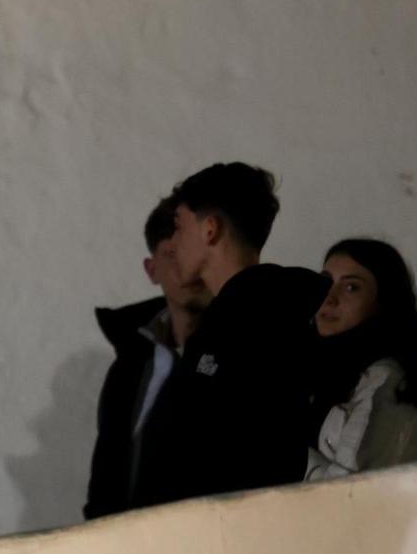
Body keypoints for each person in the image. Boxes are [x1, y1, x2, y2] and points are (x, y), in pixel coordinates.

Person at [131, 163, 329, 507]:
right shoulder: (227, 321)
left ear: (210, 230)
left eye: (179, 228)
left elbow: (248, 454)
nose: (173, 245)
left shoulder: (261, 321)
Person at [83, 195, 210, 520]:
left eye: (196, 253)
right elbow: (107, 478)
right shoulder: (130, 366)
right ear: (151, 269)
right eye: (171, 254)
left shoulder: (252, 348)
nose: (187, 268)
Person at [303, 238, 417, 480]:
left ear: (382, 303)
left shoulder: (388, 382)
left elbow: (349, 494)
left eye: (351, 287)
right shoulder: (321, 371)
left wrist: (283, 453)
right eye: (325, 282)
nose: (329, 297)